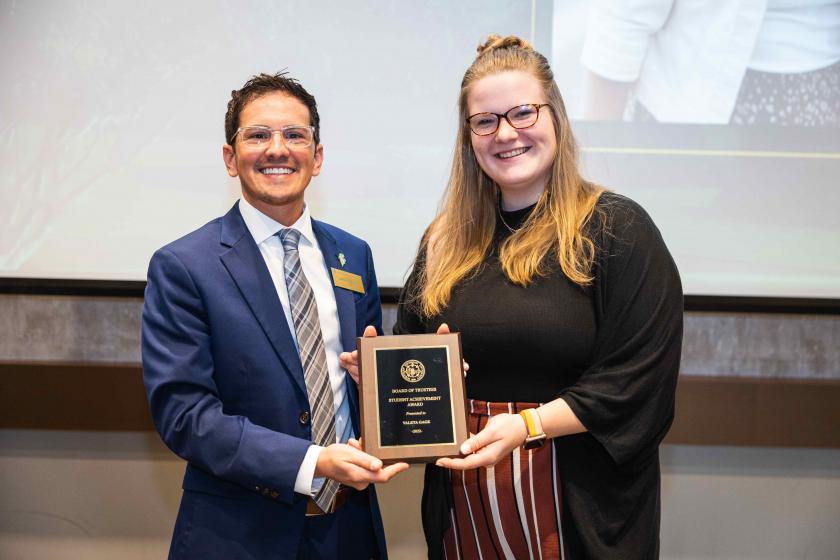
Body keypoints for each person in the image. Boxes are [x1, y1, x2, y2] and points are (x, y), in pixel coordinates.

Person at [394, 35, 682, 558]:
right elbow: (414, 355)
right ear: (469, 137)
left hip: (578, 511)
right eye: (485, 121)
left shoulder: (616, 228)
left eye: (523, 113)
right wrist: (384, 375)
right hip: (465, 507)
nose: (505, 133)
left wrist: (527, 426)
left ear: (557, 118)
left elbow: (637, 381)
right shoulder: (443, 239)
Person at [142, 72, 407, 559]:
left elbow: (363, 386)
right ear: (229, 158)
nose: (277, 149)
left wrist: (407, 388)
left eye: (295, 135)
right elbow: (185, 415)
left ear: (317, 156)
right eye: (258, 135)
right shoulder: (184, 266)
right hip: (239, 535)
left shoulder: (354, 255)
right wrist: (314, 462)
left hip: (350, 530)